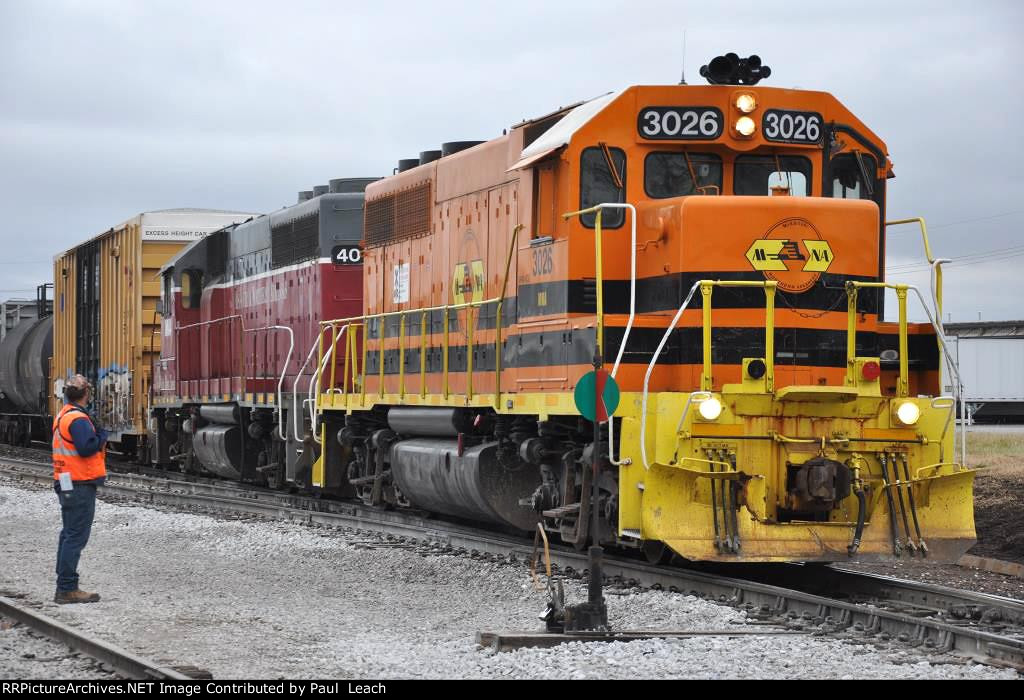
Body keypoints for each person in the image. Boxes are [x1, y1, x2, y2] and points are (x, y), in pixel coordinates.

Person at [52, 374, 108, 604]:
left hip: (67, 480)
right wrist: (102, 435)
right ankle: (67, 588)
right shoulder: (78, 419)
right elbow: (86, 448)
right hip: (79, 482)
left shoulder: (63, 415)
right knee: (75, 536)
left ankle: (64, 585)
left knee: (68, 534)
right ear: (86, 394)